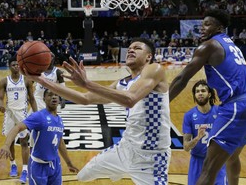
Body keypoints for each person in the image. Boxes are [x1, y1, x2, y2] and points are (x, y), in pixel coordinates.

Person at [23, 37, 172, 184]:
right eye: (130, 48)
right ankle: (119, 170)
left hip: (151, 157)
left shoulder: (155, 69)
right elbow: (85, 98)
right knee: (83, 176)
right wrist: (41, 80)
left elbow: (130, 99)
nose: (131, 50)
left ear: (149, 57)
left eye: (138, 48)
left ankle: (125, 172)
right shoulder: (122, 83)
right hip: (125, 149)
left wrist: (87, 83)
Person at [169, 9, 246, 185]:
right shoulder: (231, 44)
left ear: (219, 27)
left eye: (207, 24)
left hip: (235, 108)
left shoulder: (209, 46)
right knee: (232, 157)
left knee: (209, 168)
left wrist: (162, 104)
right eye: (201, 24)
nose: (202, 28)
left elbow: (182, 78)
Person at [0, 89, 78, 185]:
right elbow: (18, 127)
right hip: (39, 166)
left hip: (55, 164)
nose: (54, 97)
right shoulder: (39, 116)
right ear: (44, 99)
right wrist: (7, 145)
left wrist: (69, 163)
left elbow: (60, 143)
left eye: (56, 95)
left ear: (59, 99)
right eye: (50, 95)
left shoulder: (59, 120)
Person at [0, 56, 37, 183]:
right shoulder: (4, 81)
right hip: (9, 114)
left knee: (24, 142)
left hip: (22, 114)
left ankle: (25, 170)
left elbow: (32, 99)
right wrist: (0, 105)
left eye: (17, 64)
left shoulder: (26, 81)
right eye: (13, 64)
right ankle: (13, 164)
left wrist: (36, 114)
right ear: (9, 66)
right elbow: (0, 98)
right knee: (11, 142)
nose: (16, 66)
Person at [183, 80, 227, 185]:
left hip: (216, 161)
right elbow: (186, 147)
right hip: (197, 162)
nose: (200, 93)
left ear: (209, 94)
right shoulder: (189, 116)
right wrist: (197, 138)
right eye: (197, 91)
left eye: (203, 90)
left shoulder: (220, 113)